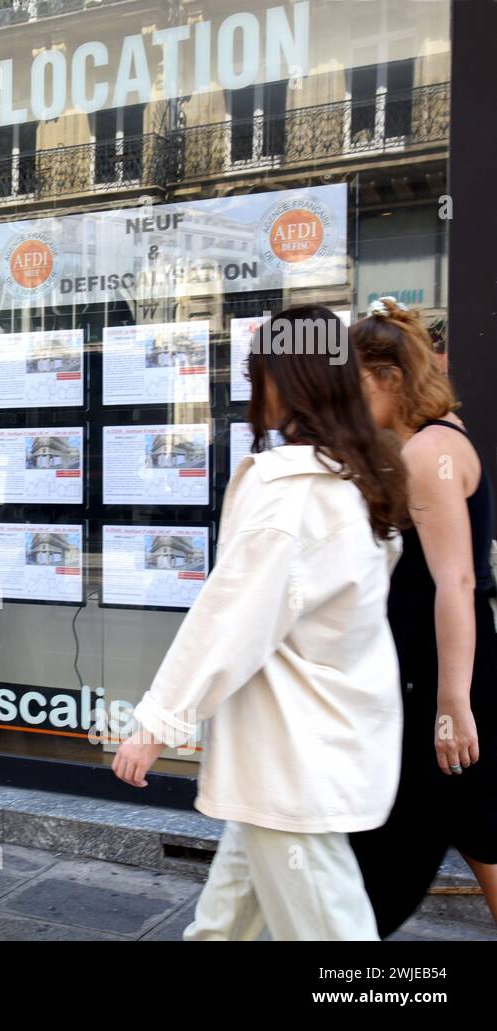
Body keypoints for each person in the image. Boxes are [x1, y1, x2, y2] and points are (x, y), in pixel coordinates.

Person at [112, 305, 408, 941]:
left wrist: (156, 724)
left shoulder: (293, 494)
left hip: (294, 755)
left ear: (288, 379)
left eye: (258, 372)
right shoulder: (355, 478)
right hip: (299, 748)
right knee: (223, 929)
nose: (253, 388)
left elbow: (229, 619)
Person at [349, 297, 497, 930]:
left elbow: (456, 582)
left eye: (354, 384)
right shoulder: (439, 437)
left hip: (437, 672)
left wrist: (450, 704)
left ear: (389, 378)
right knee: (481, 829)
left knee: (394, 839)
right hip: (445, 667)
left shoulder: (427, 454)